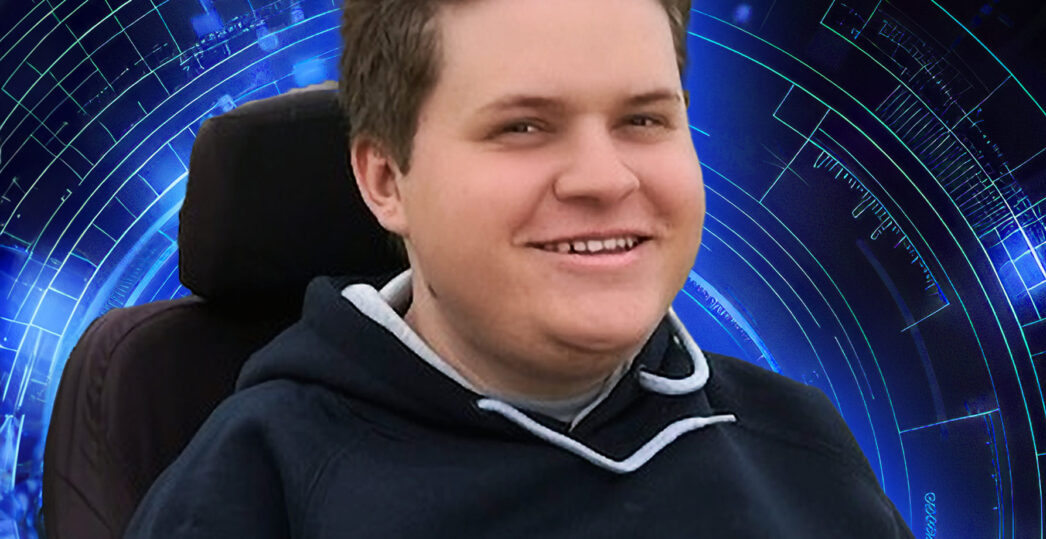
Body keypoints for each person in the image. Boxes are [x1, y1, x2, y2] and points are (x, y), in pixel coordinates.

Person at [125, 0, 914, 536]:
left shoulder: (803, 444)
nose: (605, 179)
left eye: (643, 118)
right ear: (385, 179)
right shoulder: (256, 488)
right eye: (524, 126)